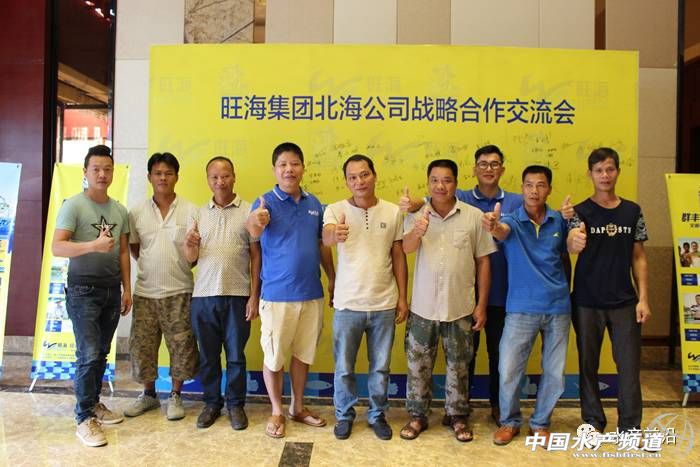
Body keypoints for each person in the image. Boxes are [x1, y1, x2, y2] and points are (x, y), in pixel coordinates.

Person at [399, 144, 521, 425]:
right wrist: (417, 232)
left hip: (460, 307)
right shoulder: (417, 215)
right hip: (423, 307)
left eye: (447, 180)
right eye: (434, 180)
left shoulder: (473, 216)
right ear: (428, 183)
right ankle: (417, 416)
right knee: (418, 365)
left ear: (456, 183)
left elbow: (484, 262)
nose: (440, 186)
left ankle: (457, 416)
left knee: (460, 365)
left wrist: (481, 305)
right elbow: (406, 248)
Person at [246, 142, 335, 439]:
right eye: (283, 164)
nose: (289, 169)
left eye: (295, 163)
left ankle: (297, 406)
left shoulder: (314, 204)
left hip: (311, 293)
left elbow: (322, 245)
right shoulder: (264, 203)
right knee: (274, 357)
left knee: (302, 355)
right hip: (276, 296)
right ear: (275, 170)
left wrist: (332, 277)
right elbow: (253, 233)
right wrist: (256, 222)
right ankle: (277, 410)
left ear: (303, 168)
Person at [482, 165, 571, 447]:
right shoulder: (511, 219)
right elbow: (501, 231)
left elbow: (569, 248)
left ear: (549, 189)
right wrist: (493, 226)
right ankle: (509, 422)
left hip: (558, 307)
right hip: (520, 308)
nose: (534, 191)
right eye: (529, 185)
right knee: (509, 369)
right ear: (522, 189)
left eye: (540, 185)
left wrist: (575, 231)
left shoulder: (559, 221)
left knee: (554, 373)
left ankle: (541, 424)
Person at [322, 154, 408, 441]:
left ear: (374, 175)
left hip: (384, 303)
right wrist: (335, 233)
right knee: (344, 368)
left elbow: (398, 255)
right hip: (348, 304)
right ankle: (344, 415)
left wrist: (403, 298)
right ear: (346, 181)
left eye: (364, 174)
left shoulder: (393, 212)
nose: (359, 181)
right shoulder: (335, 210)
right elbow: (326, 237)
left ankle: (377, 415)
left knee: (380, 368)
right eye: (352, 177)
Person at [567, 147, 650, 434]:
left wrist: (643, 299)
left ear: (617, 172)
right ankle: (592, 421)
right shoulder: (580, 212)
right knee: (587, 364)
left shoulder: (632, 211)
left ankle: (630, 426)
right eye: (599, 170)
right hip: (586, 301)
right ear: (590, 174)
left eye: (610, 169)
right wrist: (573, 241)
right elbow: (571, 243)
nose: (605, 175)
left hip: (625, 302)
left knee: (629, 367)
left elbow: (639, 257)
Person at [51, 144, 131, 447]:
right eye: (96, 169)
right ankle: (84, 418)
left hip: (112, 289)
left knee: (102, 352)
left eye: (107, 169)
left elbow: (123, 252)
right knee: (89, 352)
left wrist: (127, 289)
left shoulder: (119, 210)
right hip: (82, 289)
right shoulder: (73, 205)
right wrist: (92, 246)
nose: (102, 174)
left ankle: (94, 403)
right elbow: (57, 247)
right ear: (85, 171)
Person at [183, 156, 261, 430]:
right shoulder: (198, 214)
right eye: (214, 177)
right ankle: (211, 403)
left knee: (236, 356)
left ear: (234, 177)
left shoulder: (249, 210)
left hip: (238, 296)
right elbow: (191, 259)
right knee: (208, 356)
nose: (220, 181)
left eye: (225, 175)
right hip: (204, 296)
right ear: (208, 180)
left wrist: (254, 295)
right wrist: (189, 245)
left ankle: (235, 405)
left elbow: (256, 255)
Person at [124, 152, 199, 421]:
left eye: (168, 173)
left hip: (180, 290)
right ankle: (148, 395)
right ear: (149, 177)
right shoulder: (137, 212)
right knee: (143, 347)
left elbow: (195, 253)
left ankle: (176, 395)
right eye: (158, 173)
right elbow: (135, 248)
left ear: (177, 176)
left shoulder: (191, 210)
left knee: (181, 346)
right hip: (145, 292)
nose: (163, 178)